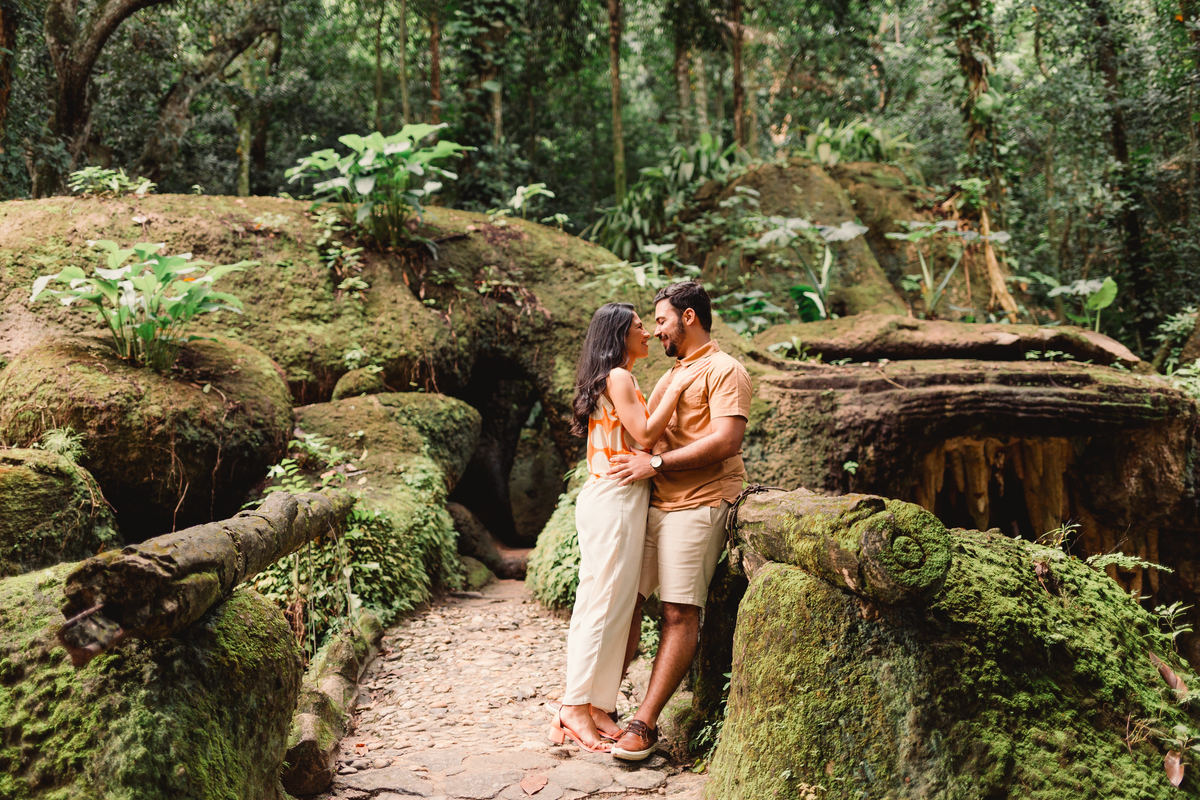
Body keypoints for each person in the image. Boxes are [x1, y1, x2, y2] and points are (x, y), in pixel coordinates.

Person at [550, 301, 708, 752]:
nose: (649, 333)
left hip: (620, 498)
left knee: (617, 605)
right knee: (600, 603)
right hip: (615, 498)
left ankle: (597, 705)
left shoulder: (619, 379)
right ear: (620, 335)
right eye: (640, 326)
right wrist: (677, 389)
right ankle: (573, 706)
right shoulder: (619, 377)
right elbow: (643, 436)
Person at [605, 281, 752, 762]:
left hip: (702, 504)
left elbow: (727, 440)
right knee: (623, 605)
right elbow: (645, 434)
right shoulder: (671, 375)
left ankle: (643, 724)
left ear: (689, 317)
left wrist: (660, 465)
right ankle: (597, 704)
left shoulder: (725, 369)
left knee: (677, 612)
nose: (657, 331)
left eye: (662, 320)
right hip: (655, 504)